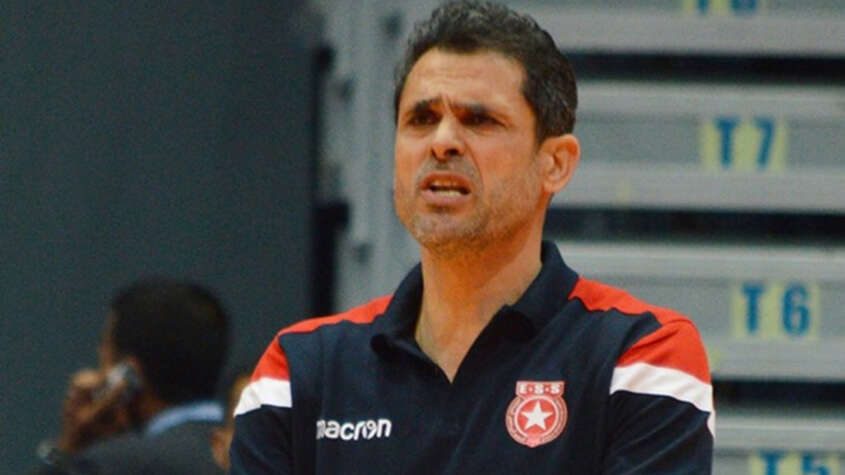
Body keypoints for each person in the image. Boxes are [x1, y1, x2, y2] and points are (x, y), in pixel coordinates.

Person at [230, 1, 714, 473]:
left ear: (555, 164)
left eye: (479, 120)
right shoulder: (298, 372)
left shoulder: (641, 355)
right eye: (421, 119)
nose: (442, 142)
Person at [33, 278, 229, 475]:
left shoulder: (114, 464)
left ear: (127, 376)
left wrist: (68, 449)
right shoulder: (242, 446)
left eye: (104, 354)